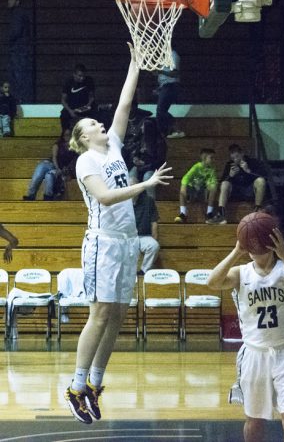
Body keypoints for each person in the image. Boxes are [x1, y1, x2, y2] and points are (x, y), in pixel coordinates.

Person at [64, 43, 172, 425]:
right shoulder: (85, 160)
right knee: (100, 313)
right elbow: (107, 197)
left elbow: (125, 103)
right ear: (82, 137)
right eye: (92, 124)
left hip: (126, 243)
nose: (100, 124)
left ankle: (94, 383)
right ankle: (75, 387)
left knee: (119, 314)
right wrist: (146, 185)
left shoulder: (112, 148)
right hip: (102, 244)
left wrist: (134, 63)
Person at [207, 228, 284, 442]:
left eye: (258, 242)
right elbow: (212, 282)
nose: (254, 247)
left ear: (271, 243)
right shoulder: (240, 273)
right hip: (254, 353)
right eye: (249, 242)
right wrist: (236, 251)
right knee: (254, 422)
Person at [212, 143, 267, 225]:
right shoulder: (229, 165)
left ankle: (257, 209)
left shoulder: (253, 162)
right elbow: (222, 182)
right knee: (224, 184)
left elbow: (264, 177)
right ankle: (221, 214)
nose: (235, 159)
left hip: (249, 189)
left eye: (237, 156)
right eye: (233, 158)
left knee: (260, 181)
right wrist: (230, 175)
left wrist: (248, 171)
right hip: (235, 191)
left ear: (242, 154)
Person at [23, 129, 77, 201]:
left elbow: (73, 162)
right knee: (40, 170)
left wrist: (62, 171)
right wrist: (57, 168)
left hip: (61, 169)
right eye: (65, 135)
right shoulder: (58, 144)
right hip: (52, 164)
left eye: (69, 135)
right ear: (63, 136)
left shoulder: (75, 148)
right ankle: (31, 195)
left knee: (49, 175)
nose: (67, 137)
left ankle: (47, 196)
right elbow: (54, 157)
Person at [174, 148, 218, 224]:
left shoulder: (212, 169)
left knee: (214, 189)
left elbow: (213, 182)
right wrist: (184, 187)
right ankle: (183, 214)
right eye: (211, 158)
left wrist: (210, 186)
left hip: (202, 192)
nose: (213, 160)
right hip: (192, 190)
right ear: (204, 158)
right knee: (181, 191)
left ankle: (209, 213)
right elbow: (186, 177)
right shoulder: (196, 167)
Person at [129, 117, 167, 199]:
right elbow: (134, 152)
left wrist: (145, 164)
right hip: (139, 167)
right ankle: (132, 204)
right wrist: (135, 158)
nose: (141, 128)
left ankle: (150, 203)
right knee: (130, 179)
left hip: (153, 169)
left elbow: (160, 162)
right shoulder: (140, 139)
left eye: (143, 126)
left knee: (147, 178)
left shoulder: (159, 142)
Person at [131, 176, 160, 275]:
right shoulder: (122, 202)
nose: (132, 189)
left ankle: (144, 271)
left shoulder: (148, 200)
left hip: (143, 237)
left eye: (134, 186)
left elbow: (154, 222)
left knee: (154, 245)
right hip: (127, 237)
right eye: (130, 186)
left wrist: (154, 238)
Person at [7, 0, 32, 103]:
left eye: (12, 0)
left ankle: (18, 99)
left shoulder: (16, 13)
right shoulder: (23, 13)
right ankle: (22, 98)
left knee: (17, 74)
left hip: (18, 48)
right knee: (22, 73)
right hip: (23, 48)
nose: (9, 2)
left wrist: (9, 39)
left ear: (17, 1)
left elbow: (16, 32)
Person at [154, 48, 185, 139]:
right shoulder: (162, 57)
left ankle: (177, 130)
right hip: (164, 86)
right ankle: (166, 133)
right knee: (160, 113)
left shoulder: (173, 54)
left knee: (161, 111)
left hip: (171, 85)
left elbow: (175, 73)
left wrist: (161, 71)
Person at [60, 64, 96, 131]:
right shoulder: (68, 82)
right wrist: (70, 111)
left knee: (96, 114)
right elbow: (63, 100)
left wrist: (87, 106)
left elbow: (91, 97)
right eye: (80, 76)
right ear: (74, 74)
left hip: (85, 108)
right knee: (64, 115)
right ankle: (64, 135)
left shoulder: (89, 81)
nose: (82, 78)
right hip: (72, 108)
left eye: (83, 76)